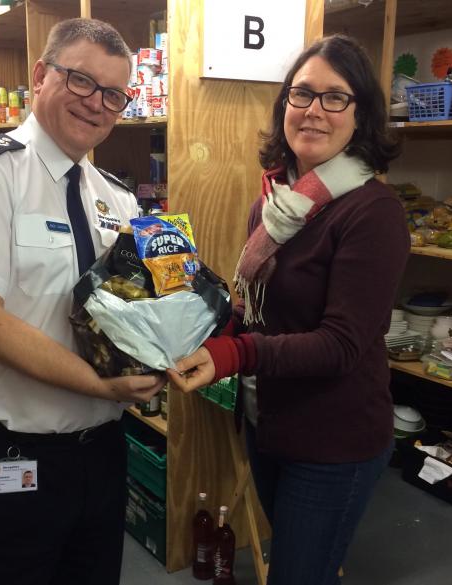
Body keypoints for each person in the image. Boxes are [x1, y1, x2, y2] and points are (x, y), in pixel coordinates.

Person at [0, 18, 165, 585]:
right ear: (40, 76)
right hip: (6, 458)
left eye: (113, 93)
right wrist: (100, 384)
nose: (97, 104)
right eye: (81, 81)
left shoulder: (119, 198)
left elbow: (135, 311)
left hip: (100, 452)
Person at [167, 35, 409, 585]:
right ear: (283, 108)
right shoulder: (274, 206)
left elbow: (341, 344)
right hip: (269, 422)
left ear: (361, 114)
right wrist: (202, 330)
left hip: (334, 441)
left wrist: (234, 352)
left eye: (335, 98)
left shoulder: (373, 213)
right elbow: (257, 312)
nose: (314, 111)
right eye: (301, 94)